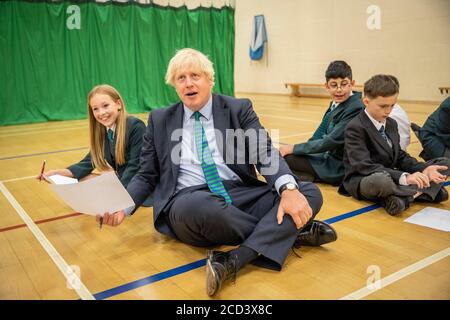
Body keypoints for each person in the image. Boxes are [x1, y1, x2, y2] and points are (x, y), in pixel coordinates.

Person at [99, 48, 337, 296]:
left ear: (210, 79)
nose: (188, 83)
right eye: (181, 78)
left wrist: (288, 189)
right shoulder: (160, 119)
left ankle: (234, 259)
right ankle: (294, 231)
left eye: (195, 75)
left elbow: (264, 150)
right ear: (174, 85)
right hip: (188, 200)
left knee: (307, 191)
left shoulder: (238, 108)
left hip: (239, 193)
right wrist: (122, 205)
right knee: (205, 210)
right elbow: (146, 174)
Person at [342, 74, 450, 216]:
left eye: (392, 105)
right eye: (383, 106)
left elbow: (399, 155)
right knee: (381, 181)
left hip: (391, 173)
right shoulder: (355, 127)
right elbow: (364, 166)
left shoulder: (391, 123)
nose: (388, 111)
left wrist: (425, 169)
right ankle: (418, 192)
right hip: (365, 178)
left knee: (444, 163)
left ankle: (401, 196)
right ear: (366, 102)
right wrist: (405, 177)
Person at [42, 84, 146, 188]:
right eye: (95, 109)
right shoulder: (104, 131)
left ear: (118, 104)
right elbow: (89, 162)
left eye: (105, 106)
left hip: (139, 186)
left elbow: (135, 166)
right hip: (122, 181)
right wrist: (58, 173)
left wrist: (120, 192)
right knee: (80, 178)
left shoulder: (135, 126)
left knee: (97, 181)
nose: (101, 112)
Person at [279, 61, 364, 185]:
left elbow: (330, 142)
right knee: (284, 157)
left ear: (352, 84)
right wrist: (300, 151)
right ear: (327, 86)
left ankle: (310, 177)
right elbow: (318, 135)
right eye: (334, 85)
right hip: (327, 156)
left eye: (344, 84)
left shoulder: (355, 107)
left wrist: (293, 148)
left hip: (339, 166)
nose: (339, 90)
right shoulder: (336, 103)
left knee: (287, 159)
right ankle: (304, 176)